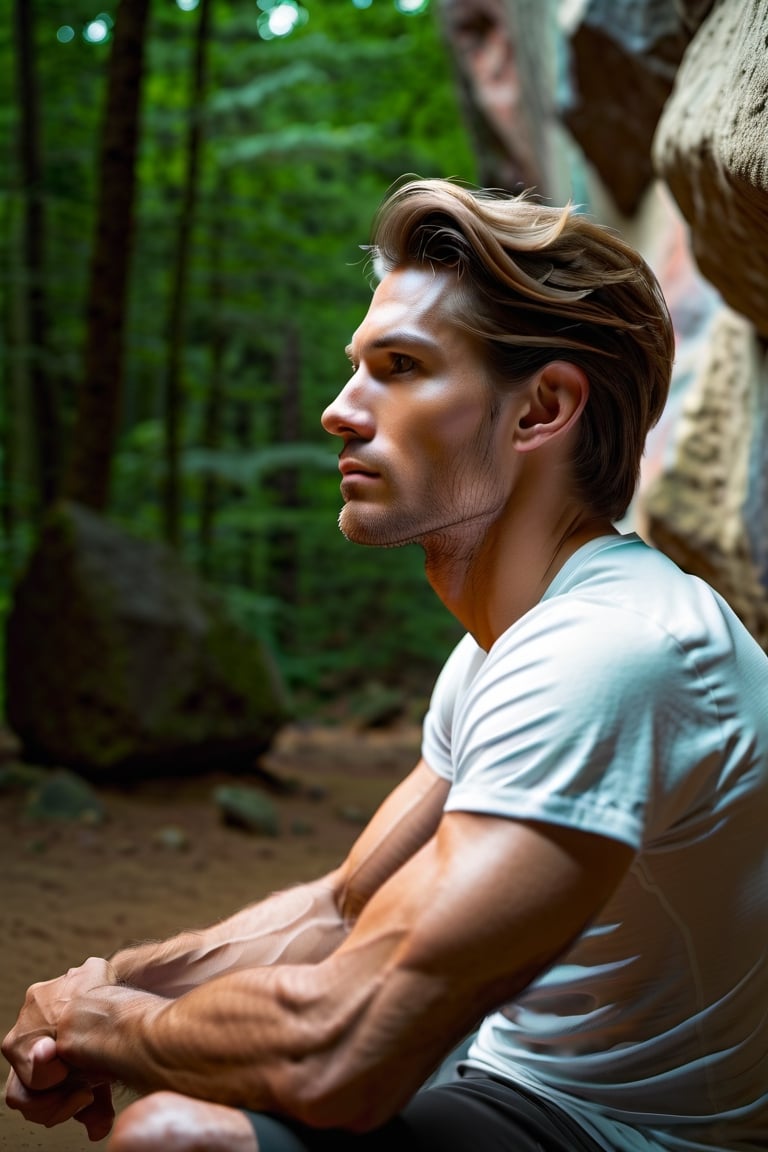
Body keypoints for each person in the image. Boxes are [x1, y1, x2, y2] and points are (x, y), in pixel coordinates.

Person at [4, 178, 767, 1152]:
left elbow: (342, 1057)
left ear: (543, 408)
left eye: (399, 367)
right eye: (354, 367)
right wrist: (115, 983)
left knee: (174, 1140)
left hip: (622, 1134)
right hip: (510, 1088)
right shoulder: (513, 641)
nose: (337, 410)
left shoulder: (611, 654)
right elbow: (342, 906)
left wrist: (101, 1028)